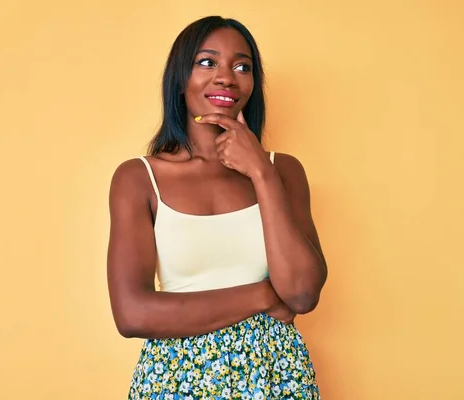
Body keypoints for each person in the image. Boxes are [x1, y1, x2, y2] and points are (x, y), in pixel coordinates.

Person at [107, 15, 327, 399]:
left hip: (277, 379)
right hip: (174, 381)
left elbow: (303, 293)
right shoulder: (139, 179)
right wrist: (262, 296)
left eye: (242, 66)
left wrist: (260, 170)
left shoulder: (282, 171)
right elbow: (132, 313)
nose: (227, 76)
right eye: (207, 62)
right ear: (180, 80)